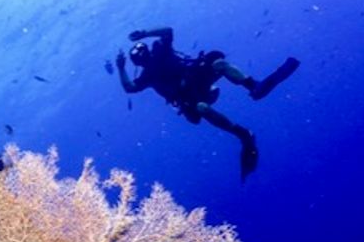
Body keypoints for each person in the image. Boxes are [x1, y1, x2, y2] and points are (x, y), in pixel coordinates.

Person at [116, 27, 299, 181]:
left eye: (142, 49)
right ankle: (242, 134)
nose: (142, 54)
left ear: (147, 49)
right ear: (137, 62)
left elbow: (167, 31)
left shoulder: (161, 50)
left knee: (218, 62)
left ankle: (254, 87)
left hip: (197, 79)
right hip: (190, 98)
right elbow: (130, 88)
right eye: (138, 55)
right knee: (202, 108)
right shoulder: (147, 75)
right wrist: (120, 68)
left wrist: (145, 33)